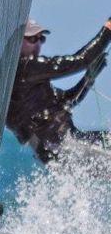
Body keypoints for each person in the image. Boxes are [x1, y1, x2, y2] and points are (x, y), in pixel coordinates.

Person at [6, 17, 111, 163]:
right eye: (32, 39)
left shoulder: (28, 75)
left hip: (69, 142)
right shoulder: (25, 69)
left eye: (41, 39)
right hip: (60, 149)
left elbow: (67, 101)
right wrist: (108, 28)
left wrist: (88, 79)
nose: (38, 45)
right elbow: (83, 59)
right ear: (17, 42)